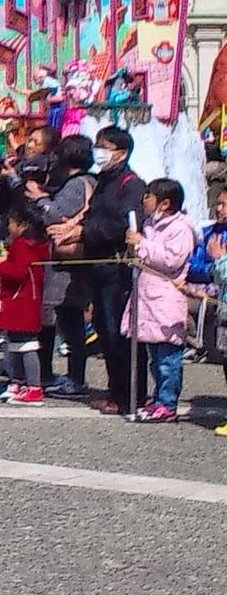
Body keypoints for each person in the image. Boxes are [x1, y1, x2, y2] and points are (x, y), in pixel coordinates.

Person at [80, 127, 146, 414]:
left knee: (119, 331)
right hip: (96, 265)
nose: (99, 151)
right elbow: (93, 214)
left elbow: (122, 223)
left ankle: (130, 395)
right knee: (105, 332)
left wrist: (85, 232)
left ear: (121, 152)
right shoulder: (103, 181)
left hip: (117, 269)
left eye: (104, 146)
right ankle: (115, 389)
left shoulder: (130, 183)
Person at [123, 178, 195, 423]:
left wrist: (142, 243)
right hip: (147, 297)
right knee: (155, 356)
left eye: (149, 196)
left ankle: (168, 402)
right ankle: (159, 398)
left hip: (166, 296)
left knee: (168, 358)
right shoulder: (151, 223)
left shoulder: (180, 228)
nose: (144, 200)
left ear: (165, 203)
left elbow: (171, 260)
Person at [33, 134, 95, 398]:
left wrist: (39, 198)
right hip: (75, 263)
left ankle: (68, 377)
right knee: (71, 324)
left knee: (62, 322)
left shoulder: (75, 185)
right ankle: (70, 375)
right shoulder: (92, 181)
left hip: (63, 267)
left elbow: (56, 214)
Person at [0, 204, 50, 405]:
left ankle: (33, 387)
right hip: (26, 299)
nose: (8, 227)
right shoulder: (36, 245)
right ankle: (20, 382)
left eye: (11, 223)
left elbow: (17, 272)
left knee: (26, 345)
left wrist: (1, 263)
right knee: (16, 343)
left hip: (20, 300)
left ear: (21, 224)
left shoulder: (22, 245)